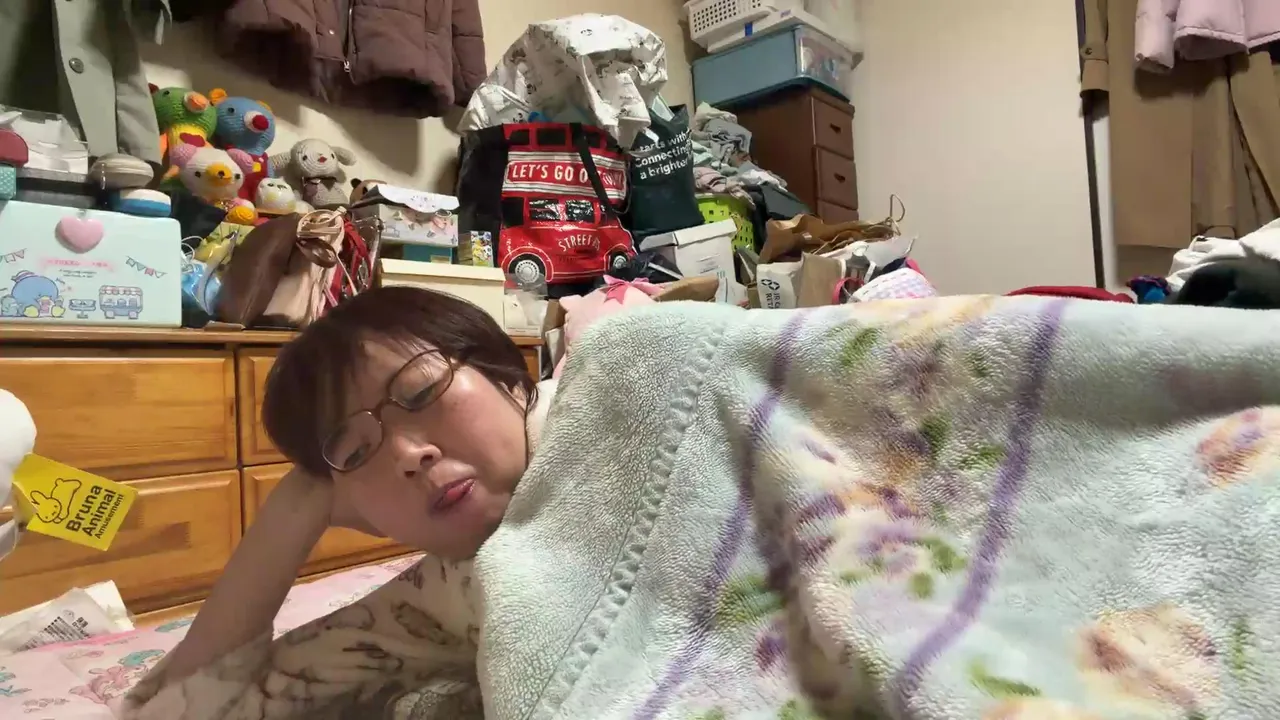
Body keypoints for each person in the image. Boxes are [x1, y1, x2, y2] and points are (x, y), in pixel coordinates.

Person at [123, 286, 541, 719]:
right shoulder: (432, 601)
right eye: (356, 453)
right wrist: (298, 505)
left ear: (508, 379)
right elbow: (192, 708)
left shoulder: (583, 415)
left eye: (421, 394)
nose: (408, 456)